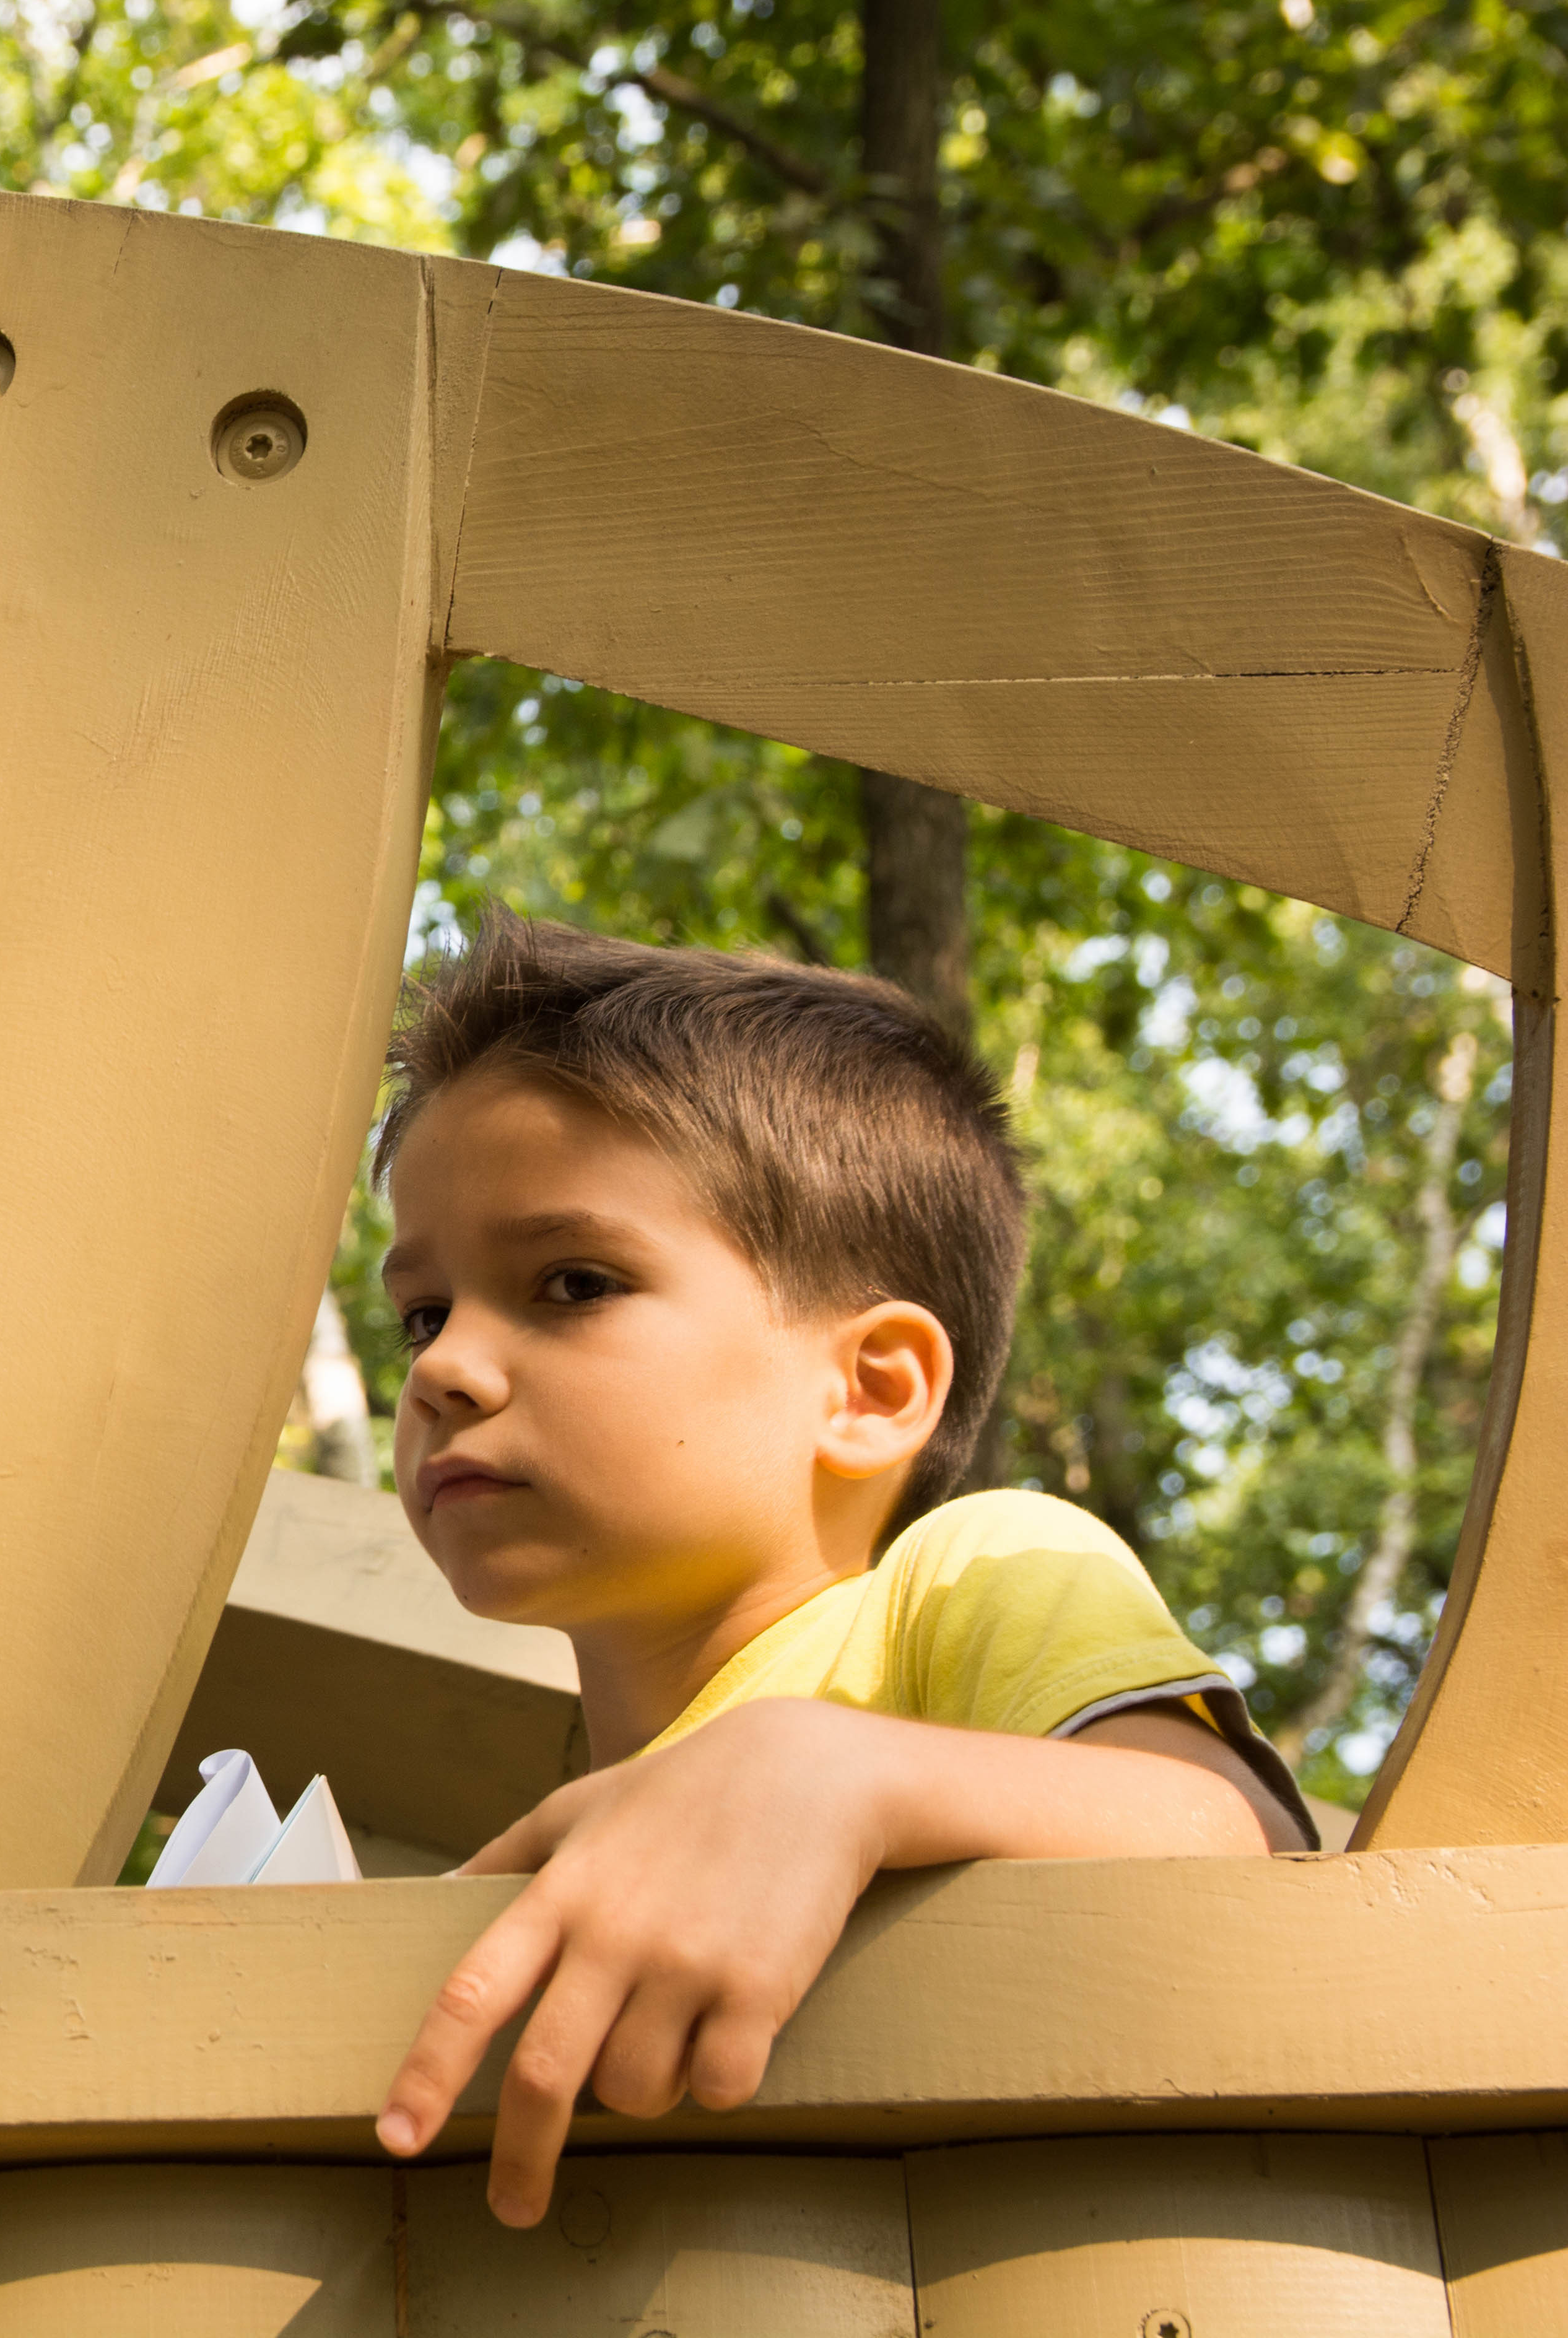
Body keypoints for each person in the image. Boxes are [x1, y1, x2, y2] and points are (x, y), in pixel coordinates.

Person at [359, 910, 1315, 2227]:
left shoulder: (970, 1569)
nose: (443, 1367)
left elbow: (1237, 1842)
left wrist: (833, 1767)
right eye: (424, 1310)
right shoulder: (585, 1828)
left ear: (871, 1388)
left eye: (571, 1281)